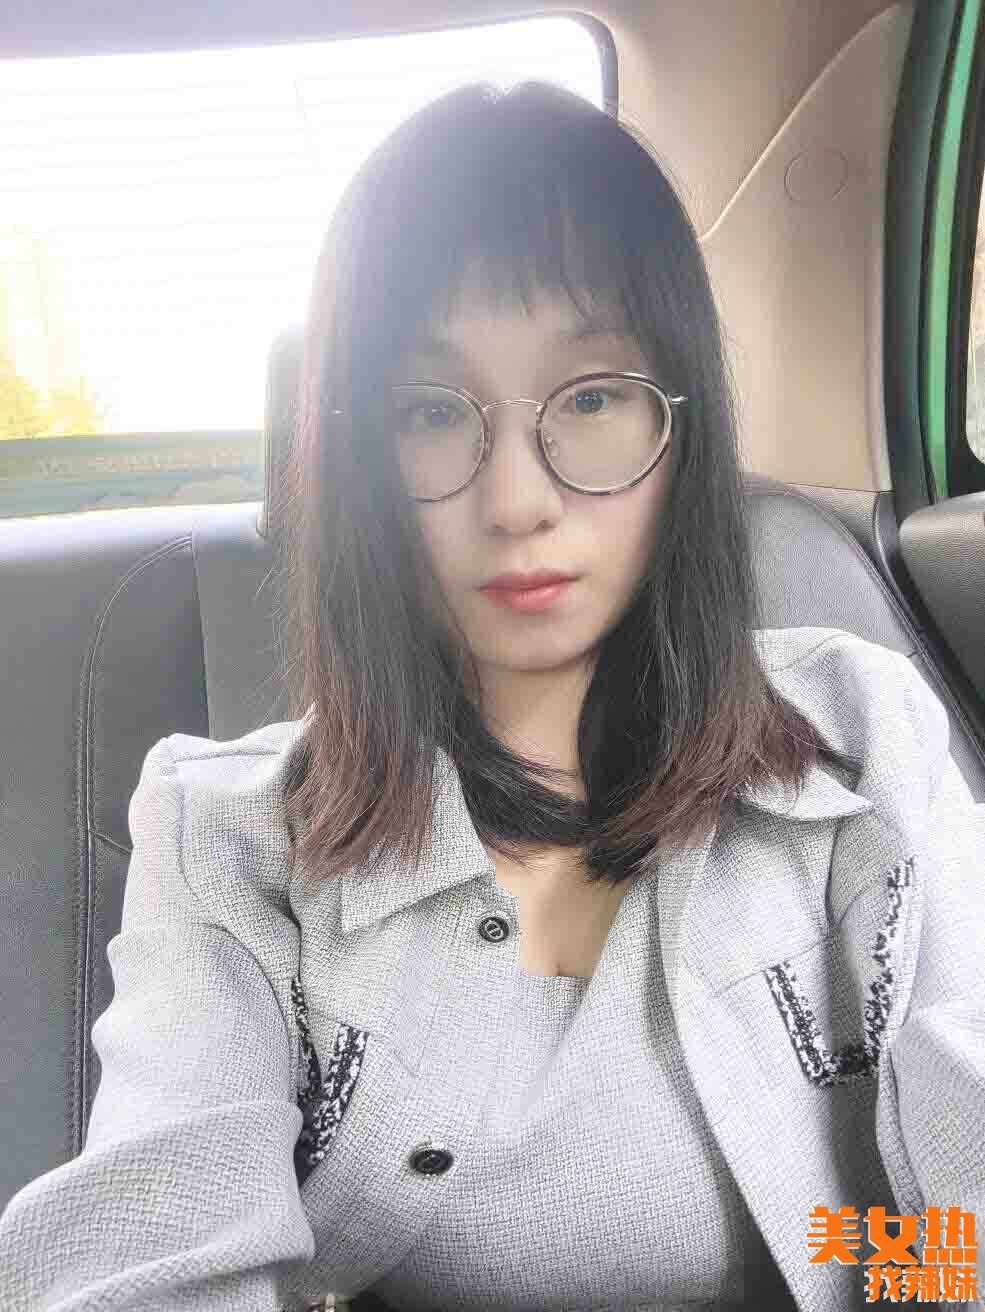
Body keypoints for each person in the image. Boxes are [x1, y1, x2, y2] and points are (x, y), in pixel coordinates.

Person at [1, 79, 983, 1312]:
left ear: (681, 421)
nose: (517, 499)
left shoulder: (856, 737)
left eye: (592, 396)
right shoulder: (233, 839)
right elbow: (157, 1243)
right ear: (355, 455)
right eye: (429, 411)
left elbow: (959, 1183)